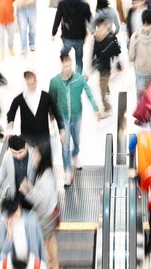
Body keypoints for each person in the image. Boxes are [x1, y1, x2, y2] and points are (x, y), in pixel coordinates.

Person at [49, 53, 101, 186]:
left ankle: (75, 154)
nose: (68, 68)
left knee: (76, 139)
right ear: (61, 65)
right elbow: (51, 99)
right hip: (63, 118)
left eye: (70, 65)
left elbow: (88, 92)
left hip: (77, 115)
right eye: (65, 66)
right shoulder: (55, 82)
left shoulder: (79, 79)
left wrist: (95, 108)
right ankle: (67, 171)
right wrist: (51, 116)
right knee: (65, 145)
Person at [20, 141, 62, 269]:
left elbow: (39, 200)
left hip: (47, 214)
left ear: (43, 156)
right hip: (49, 211)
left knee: (48, 240)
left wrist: (27, 190)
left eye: (36, 154)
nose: (33, 156)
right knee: (48, 239)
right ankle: (52, 263)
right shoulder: (44, 172)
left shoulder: (46, 177)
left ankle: (54, 266)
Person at [7, 71, 65, 149]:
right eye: (28, 84)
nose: (31, 86)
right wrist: (10, 126)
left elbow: (56, 112)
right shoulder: (20, 98)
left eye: (32, 83)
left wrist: (61, 129)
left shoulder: (46, 97)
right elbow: (11, 111)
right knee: (29, 159)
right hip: (27, 137)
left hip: (43, 136)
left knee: (44, 159)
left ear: (36, 81)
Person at [0, 196, 47, 263]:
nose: (17, 217)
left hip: (32, 263)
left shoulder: (31, 219)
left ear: (19, 207)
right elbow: (4, 253)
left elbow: (40, 243)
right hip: (14, 265)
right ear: (8, 217)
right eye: (13, 217)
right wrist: (9, 236)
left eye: (18, 213)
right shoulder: (2, 224)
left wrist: (44, 265)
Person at [52, 0, 92, 74]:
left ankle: (65, 68)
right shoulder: (85, 5)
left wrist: (54, 32)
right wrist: (93, 30)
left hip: (67, 34)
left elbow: (57, 18)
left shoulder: (62, 4)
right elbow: (90, 20)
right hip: (80, 36)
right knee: (79, 58)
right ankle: (78, 75)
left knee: (65, 52)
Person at [91, 18, 121, 114]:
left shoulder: (111, 38)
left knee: (101, 89)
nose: (102, 30)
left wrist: (118, 63)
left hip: (107, 68)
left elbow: (117, 51)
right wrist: (93, 61)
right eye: (100, 28)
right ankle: (106, 88)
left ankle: (107, 107)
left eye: (104, 27)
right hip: (101, 66)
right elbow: (94, 52)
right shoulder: (96, 38)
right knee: (103, 84)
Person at [129, 9, 151, 94]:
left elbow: (131, 56)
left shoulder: (135, 35)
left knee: (140, 97)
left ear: (142, 19)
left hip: (140, 69)